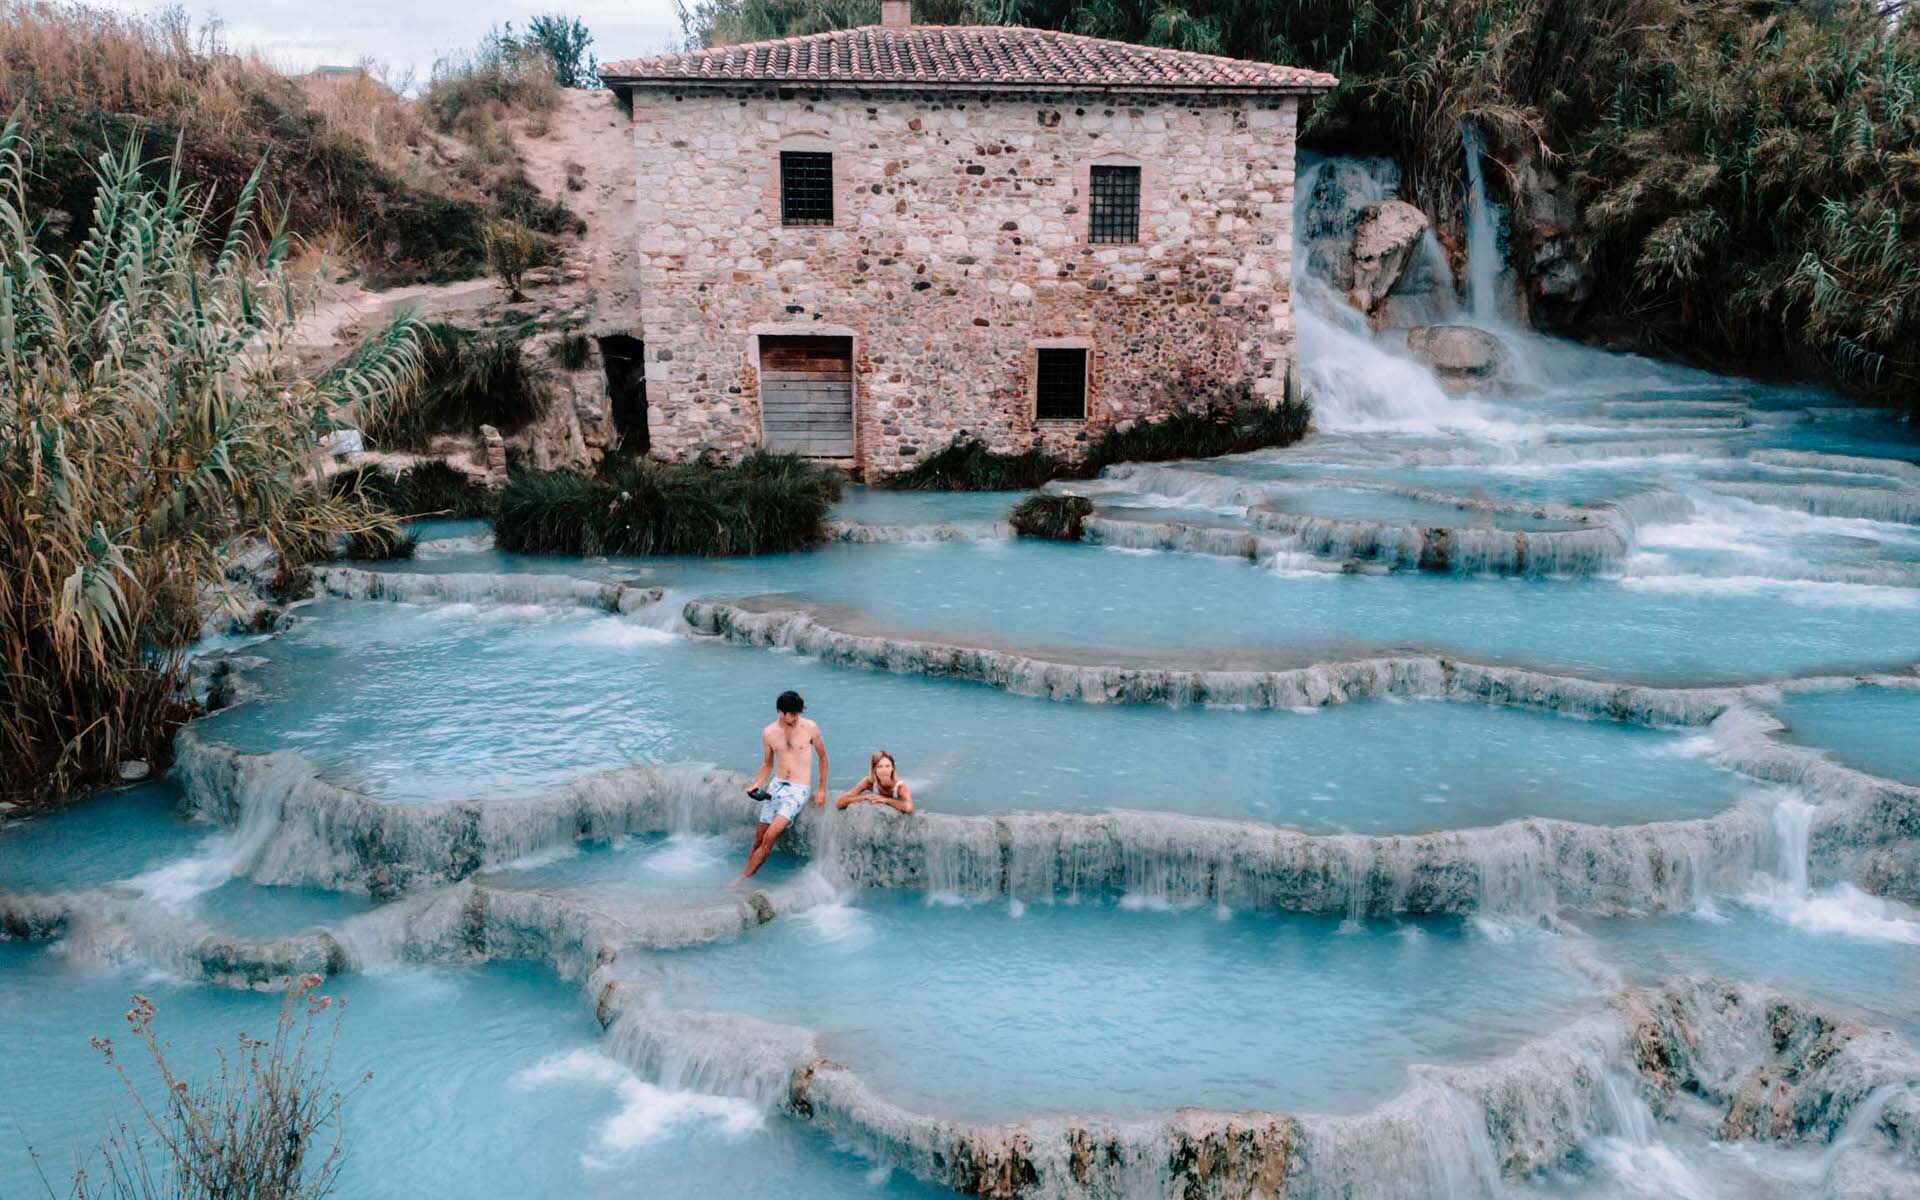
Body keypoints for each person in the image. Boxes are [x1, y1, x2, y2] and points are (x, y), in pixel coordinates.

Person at [740, 690, 827, 880]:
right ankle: (745, 876)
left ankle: (741, 881)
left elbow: (823, 757)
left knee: (770, 838)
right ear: (781, 712)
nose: (796, 718)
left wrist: (821, 788)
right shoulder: (769, 733)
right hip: (776, 786)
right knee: (758, 840)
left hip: (798, 789)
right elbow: (768, 764)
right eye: (792, 714)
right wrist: (756, 784)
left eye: (798, 713)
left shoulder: (810, 727)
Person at [835, 751, 915, 814]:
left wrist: (887, 800)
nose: (884, 770)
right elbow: (840, 802)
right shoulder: (869, 782)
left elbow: (909, 807)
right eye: (880, 767)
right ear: (874, 769)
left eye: (887, 766)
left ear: (892, 768)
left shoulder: (900, 787)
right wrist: (864, 797)